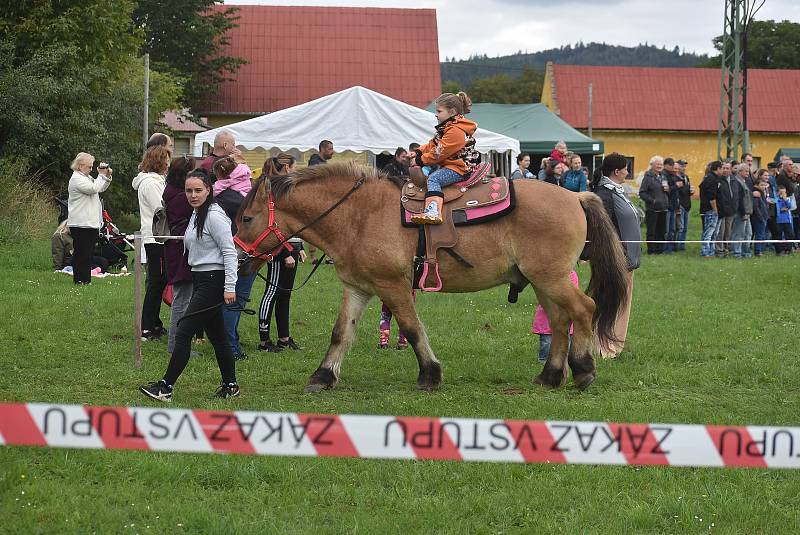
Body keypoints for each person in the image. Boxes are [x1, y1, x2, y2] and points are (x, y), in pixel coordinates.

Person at [139, 169, 240, 402]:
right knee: (218, 338)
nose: (193, 195)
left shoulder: (214, 216)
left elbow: (229, 252)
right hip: (201, 279)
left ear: (209, 190)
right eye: (188, 190)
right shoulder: (197, 213)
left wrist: (230, 287)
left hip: (214, 281)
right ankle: (230, 386)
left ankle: (165, 387)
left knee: (183, 330)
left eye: (198, 190)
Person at [593, 153, 642, 358]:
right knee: (610, 302)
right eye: (625, 169)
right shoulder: (604, 194)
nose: (627, 172)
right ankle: (603, 347)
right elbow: (601, 227)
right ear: (616, 171)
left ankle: (615, 345)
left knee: (622, 302)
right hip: (615, 258)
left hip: (627, 259)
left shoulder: (617, 191)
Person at [258, 152, 306, 352]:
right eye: (293, 168)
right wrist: (285, 251)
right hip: (278, 249)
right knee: (272, 292)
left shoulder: (286, 188)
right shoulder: (273, 189)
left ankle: (284, 338)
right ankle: (264, 340)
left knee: (285, 294)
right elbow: (274, 224)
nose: (294, 171)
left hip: (291, 246)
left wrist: (299, 246)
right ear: (287, 168)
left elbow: (293, 222)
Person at [409, 91, 479, 225]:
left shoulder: (456, 131)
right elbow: (433, 144)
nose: (436, 114)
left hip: (459, 168)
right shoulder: (447, 128)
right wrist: (418, 152)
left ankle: (433, 212)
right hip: (451, 165)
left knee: (434, 179)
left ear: (451, 112)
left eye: (439, 111)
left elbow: (439, 152)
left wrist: (420, 160)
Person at [213, 156, 258, 361]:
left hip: (231, 250)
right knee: (235, 299)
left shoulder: (218, 193)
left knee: (233, 300)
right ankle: (230, 346)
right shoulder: (242, 196)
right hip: (240, 252)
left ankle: (230, 339)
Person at [133, 146, 170, 340]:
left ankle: (155, 322)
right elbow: (161, 209)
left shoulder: (156, 181)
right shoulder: (151, 183)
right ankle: (146, 326)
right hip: (156, 237)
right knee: (156, 282)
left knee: (160, 281)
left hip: (158, 237)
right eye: (166, 160)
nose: (168, 164)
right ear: (159, 162)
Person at [163, 157, 198, 354]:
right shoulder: (181, 197)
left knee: (183, 299)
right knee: (182, 300)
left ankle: (178, 344)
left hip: (176, 248)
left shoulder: (171, 191)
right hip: (181, 250)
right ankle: (176, 346)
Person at [66, 152, 112, 284]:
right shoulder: (76, 179)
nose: (92, 169)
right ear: (80, 166)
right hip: (80, 223)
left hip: (89, 223)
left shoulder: (86, 177)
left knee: (87, 254)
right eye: (90, 167)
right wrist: (101, 175)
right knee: (81, 253)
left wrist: (106, 176)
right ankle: (80, 280)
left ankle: (85, 280)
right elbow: (93, 188)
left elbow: (100, 188)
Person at [532, 271, 579, 363]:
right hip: (548, 316)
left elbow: (575, 292)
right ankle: (544, 359)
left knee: (566, 340)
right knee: (547, 341)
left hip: (565, 314)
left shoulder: (572, 274)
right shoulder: (547, 275)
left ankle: (564, 359)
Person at [637, 155, 668, 254]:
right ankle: (652, 250)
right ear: (652, 165)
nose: (660, 166)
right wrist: (652, 200)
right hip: (652, 209)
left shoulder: (663, 176)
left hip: (663, 208)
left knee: (662, 231)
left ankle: (660, 250)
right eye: (658, 164)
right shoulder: (648, 177)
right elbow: (642, 192)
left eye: (661, 164)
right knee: (652, 231)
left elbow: (666, 189)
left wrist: (668, 190)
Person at [714, 161, 739, 258]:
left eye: (727, 168)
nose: (725, 170)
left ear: (730, 169)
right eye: (723, 168)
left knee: (728, 231)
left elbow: (737, 195)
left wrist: (735, 207)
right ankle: (719, 250)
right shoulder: (718, 180)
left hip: (731, 210)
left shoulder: (734, 180)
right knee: (721, 231)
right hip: (721, 210)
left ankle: (726, 248)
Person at [699, 161, 722, 258]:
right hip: (710, 210)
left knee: (714, 233)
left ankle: (711, 251)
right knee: (708, 232)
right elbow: (711, 197)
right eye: (721, 168)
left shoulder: (713, 178)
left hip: (714, 210)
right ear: (717, 168)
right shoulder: (711, 179)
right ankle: (705, 252)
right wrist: (715, 210)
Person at [731, 163, 754, 258]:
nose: (748, 173)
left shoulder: (745, 181)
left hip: (747, 212)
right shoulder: (736, 181)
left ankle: (746, 252)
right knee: (739, 233)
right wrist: (743, 212)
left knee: (748, 233)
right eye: (746, 171)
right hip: (741, 213)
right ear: (740, 172)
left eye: (748, 171)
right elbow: (739, 199)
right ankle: (737, 252)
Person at [661, 158, 680, 253]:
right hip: (667, 206)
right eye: (671, 165)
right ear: (666, 165)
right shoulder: (664, 175)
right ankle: (665, 249)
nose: (673, 168)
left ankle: (670, 248)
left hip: (673, 206)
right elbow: (667, 190)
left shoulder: (672, 175)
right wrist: (676, 186)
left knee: (672, 229)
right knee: (667, 229)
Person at [674, 160, 693, 250]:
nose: (684, 168)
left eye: (685, 166)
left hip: (687, 204)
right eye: (682, 166)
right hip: (680, 204)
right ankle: (677, 245)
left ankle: (682, 245)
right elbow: (677, 192)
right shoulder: (675, 178)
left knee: (685, 227)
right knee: (680, 227)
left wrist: (690, 192)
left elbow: (686, 190)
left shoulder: (686, 177)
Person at [751, 169, 770, 257]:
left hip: (764, 217)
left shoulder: (763, 193)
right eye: (761, 185)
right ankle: (758, 251)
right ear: (756, 185)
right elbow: (756, 207)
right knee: (759, 235)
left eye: (764, 185)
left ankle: (761, 250)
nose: (763, 186)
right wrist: (761, 217)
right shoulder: (757, 194)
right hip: (759, 218)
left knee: (762, 235)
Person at [775, 186, 795, 256]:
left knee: (789, 235)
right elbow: (777, 208)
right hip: (778, 220)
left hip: (787, 220)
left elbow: (789, 206)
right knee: (779, 236)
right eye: (781, 192)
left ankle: (788, 249)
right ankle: (780, 250)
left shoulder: (787, 199)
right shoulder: (776, 199)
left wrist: (785, 199)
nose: (783, 194)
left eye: (784, 192)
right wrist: (781, 209)